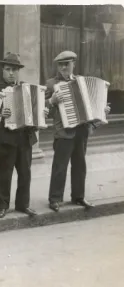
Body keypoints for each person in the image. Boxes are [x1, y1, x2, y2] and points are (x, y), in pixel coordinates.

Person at [45, 50, 111, 212]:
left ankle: (78, 197)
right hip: (63, 132)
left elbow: (92, 106)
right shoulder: (51, 84)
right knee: (60, 167)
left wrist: (103, 111)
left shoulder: (81, 81)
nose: (63, 68)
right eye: (60, 65)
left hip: (81, 131)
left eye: (66, 64)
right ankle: (54, 198)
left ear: (73, 64)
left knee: (80, 165)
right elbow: (44, 111)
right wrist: (51, 101)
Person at [0, 52, 49, 218]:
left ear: (18, 71)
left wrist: (42, 112)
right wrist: (1, 113)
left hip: (24, 138)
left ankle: (23, 205)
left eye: (14, 70)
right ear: (2, 70)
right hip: (4, 139)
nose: (11, 73)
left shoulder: (28, 88)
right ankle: (2, 206)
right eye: (8, 69)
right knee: (4, 173)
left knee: (25, 173)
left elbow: (36, 112)